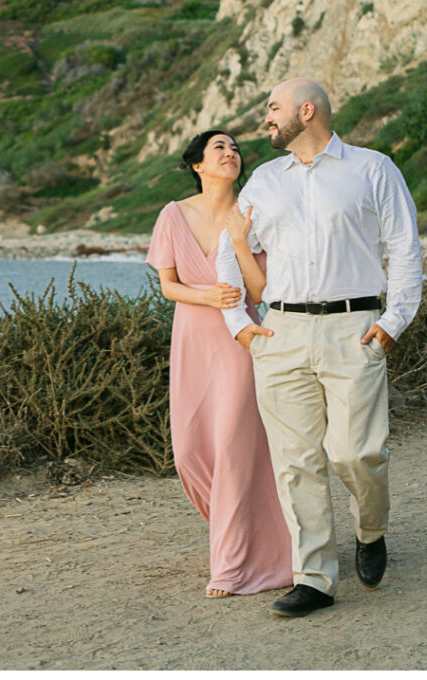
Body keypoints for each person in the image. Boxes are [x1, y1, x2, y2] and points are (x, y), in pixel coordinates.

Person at [218, 77, 422, 618]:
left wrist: (394, 321)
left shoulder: (373, 169)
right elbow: (230, 251)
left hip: (353, 329)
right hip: (280, 335)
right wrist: (238, 321)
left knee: (356, 452)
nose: (266, 118)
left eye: (273, 108)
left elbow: (404, 248)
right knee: (295, 462)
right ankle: (314, 577)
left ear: (306, 112)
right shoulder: (264, 180)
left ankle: (370, 530)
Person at [146, 130, 292, 599]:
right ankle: (252, 537)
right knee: (190, 451)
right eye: (219, 148)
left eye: (234, 148)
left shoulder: (252, 213)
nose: (231, 153)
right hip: (190, 341)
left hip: (236, 343)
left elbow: (257, 293)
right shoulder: (173, 215)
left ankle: (229, 567)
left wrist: (242, 244)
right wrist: (206, 295)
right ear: (198, 166)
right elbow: (168, 285)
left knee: (231, 448)